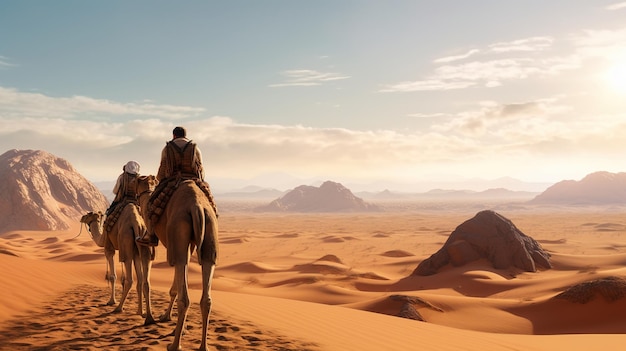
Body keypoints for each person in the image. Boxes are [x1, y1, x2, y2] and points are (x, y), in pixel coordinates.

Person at [136, 126, 207, 246]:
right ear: (185, 135)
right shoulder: (195, 148)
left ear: (174, 135)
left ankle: (151, 235)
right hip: (194, 179)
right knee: (210, 202)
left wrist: (159, 180)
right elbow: (201, 170)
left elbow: (162, 170)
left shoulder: (167, 148)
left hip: (172, 182)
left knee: (152, 205)